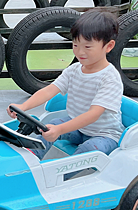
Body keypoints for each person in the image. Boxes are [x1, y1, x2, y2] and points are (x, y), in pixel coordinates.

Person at [8, 10, 124, 160]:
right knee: (48, 125)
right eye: (75, 45)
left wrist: (60, 129)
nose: (80, 52)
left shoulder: (109, 78)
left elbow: (93, 114)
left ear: (108, 46)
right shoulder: (74, 70)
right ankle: (31, 161)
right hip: (79, 129)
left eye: (88, 47)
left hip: (105, 135)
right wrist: (23, 107)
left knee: (89, 148)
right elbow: (49, 90)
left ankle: (62, 178)